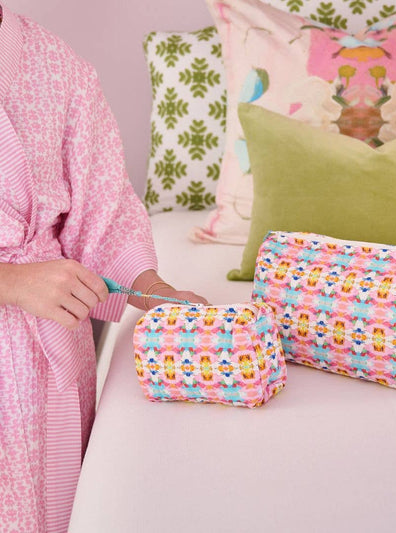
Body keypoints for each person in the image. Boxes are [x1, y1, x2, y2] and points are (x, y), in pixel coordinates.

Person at [0, 3, 208, 532]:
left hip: (42, 353)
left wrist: (152, 289)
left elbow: (104, 209)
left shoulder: (54, 64)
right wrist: (12, 281)